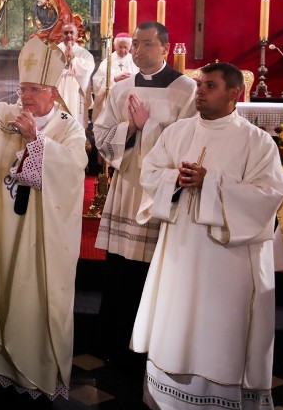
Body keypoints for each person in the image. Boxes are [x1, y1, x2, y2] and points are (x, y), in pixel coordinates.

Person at [133, 62, 283, 410]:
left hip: (227, 262)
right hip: (181, 251)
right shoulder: (177, 132)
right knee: (178, 320)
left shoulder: (257, 142)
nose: (199, 91)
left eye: (210, 86)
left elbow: (269, 197)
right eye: (199, 84)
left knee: (219, 332)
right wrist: (175, 181)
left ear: (235, 93)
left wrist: (211, 182)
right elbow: (151, 173)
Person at [0, 36, 87, 407]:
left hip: (44, 239)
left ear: (52, 91)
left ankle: (40, 373)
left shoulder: (69, 128)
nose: (24, 96)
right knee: (5, 291)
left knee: (38, 301)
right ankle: (9, 372)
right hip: (7, 232)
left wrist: (37, 141)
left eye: (33, 89)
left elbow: (71, 172)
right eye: (22, 88)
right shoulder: (11, 116)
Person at [92, 21, 197, 370]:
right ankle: (114, 342)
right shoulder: (122, 89)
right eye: (135, 44)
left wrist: (149, 126)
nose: (138, 51)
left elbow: (191, 142)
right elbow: (101, 135)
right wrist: (132, 128)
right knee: (120, 268)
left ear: (165, 48)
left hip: (160, 195)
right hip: (127, 189)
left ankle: (151, 346)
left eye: (147, 44)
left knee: (152, 269)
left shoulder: (186, 90)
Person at [56, 22, 95, 128]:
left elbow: (88, 69)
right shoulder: (53, 52)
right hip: (58, 94)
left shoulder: (85, 54)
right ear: (61, 35)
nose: (69, 35)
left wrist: (74, 59)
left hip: (77, 96)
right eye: (66, 33)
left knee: (76, 121)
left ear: (76, 35)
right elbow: (48, 70)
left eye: (71, 33)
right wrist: (62, 62)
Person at [92, 32, 139, 119]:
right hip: (111, 100)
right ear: (115, 46)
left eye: (125, 47)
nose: (123, 50)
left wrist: (132, 78)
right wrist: (113, 79)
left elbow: (141, 78)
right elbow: (97, 81)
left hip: (128, 100)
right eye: (120, 47)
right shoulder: (107, 61)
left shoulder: (135, 60)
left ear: (130, 47)